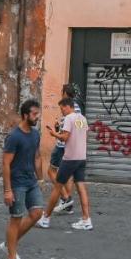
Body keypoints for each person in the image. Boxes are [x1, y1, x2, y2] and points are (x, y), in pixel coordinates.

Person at [2, 100, 45, 259]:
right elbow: (5, 164)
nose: (37, 117)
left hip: (31, 181)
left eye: (38, 113)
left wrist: (40, 178)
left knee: (37, 213)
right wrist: (7, 190)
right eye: (34, 114)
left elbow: (36, 156)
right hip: (17, 183)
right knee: (16, 218)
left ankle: (9, 244)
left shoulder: (35, 134)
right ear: (25, 115)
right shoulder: (14, 137)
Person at [38, 97, 93, 231]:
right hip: (81, 158)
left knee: (57, 188)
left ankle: (45, 218)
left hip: (70, 159)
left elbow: (65, 137)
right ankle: (86, 220)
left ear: (68, 106)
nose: (62, 111)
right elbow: (84, 135)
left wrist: (54, 134)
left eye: (62, 108)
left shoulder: (69, 118)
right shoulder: (82, 118)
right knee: (81, 188)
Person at [44, 83, 81, 217]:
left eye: (62, 92)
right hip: (72, 145)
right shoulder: (77, 108)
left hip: (62, 145)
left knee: (51, 171)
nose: (61, 94)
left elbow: (68, 129)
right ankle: (68, 205)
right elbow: (77, 127)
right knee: (69, 175)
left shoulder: (67, 107)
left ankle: (66, 198)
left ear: (65, 94)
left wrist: (56, 132)